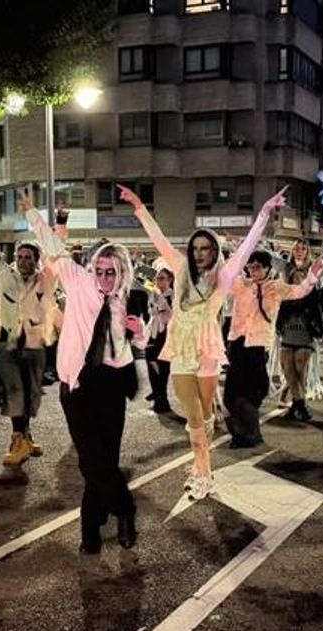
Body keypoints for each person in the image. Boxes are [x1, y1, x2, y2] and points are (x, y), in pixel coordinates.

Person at [122, 184, 287, 500]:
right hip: (181, 350)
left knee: (206, 417)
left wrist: (264, 212)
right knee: (194, 414)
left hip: (208, 350)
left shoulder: (224, 277)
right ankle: (205, 473)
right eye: (195, 248)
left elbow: (247, 246)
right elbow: (158, 239)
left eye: (206, 249)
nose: (199, 254)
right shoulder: (180, 269)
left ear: (214, 252)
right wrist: (139, 207)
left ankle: (200, 463)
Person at [25, 193, 147, 554]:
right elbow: (54, 250)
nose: (105, 277)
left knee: (103, 459)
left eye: (112, 272)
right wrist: (33, 213)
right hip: (77, 383)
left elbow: (148, 335)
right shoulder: (79, 284)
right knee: (89, 457)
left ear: (122, 272)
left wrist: (139, 330)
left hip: (112, 382)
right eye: (100, 270)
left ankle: (90, 531)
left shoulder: (132, 299)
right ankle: (125, 511)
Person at [0, 212, 57, 466]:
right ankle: (17, 439)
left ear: (36, 261)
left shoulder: (44, 281)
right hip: (9, 342)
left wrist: (59, 226)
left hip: (35, 343)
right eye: (19, 257)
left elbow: (58, 259)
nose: (22, 261)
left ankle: (26, 437)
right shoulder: (4, 276)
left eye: (28, 258)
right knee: (14, 391)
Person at [224, 250, 321, 445]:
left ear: (268, 268)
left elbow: (300, 291)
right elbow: (223, 279)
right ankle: (242, 434)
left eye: (257, 266)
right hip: (237, 343)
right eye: (250, 267)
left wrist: (312, 275)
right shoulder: (241, 285)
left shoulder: (275, 287)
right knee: (231, 393)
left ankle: (248, 434)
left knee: (254, 390)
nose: (253, 271)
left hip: (258, 345)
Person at [276, 258, 323, 422]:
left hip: (305, 339)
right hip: (286, 338)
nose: (299, 279)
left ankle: (299, 404)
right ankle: (299, 406)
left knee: (300, 372)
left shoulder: (314, 295)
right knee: (289, 373)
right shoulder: (284, 293)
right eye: (296, 276)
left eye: (303, 276)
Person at [146, 265, 175, 414]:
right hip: (153, 331)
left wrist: (163, 307)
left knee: (163, 367)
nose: (159, 281)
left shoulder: (173, 295)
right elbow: (150, 310)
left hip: (167, 333)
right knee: (150, 360)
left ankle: (161, 396)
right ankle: (157, 391)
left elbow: (173, 314)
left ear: (170, 280)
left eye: (162, 278)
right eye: (157, 278)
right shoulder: (154, 293)